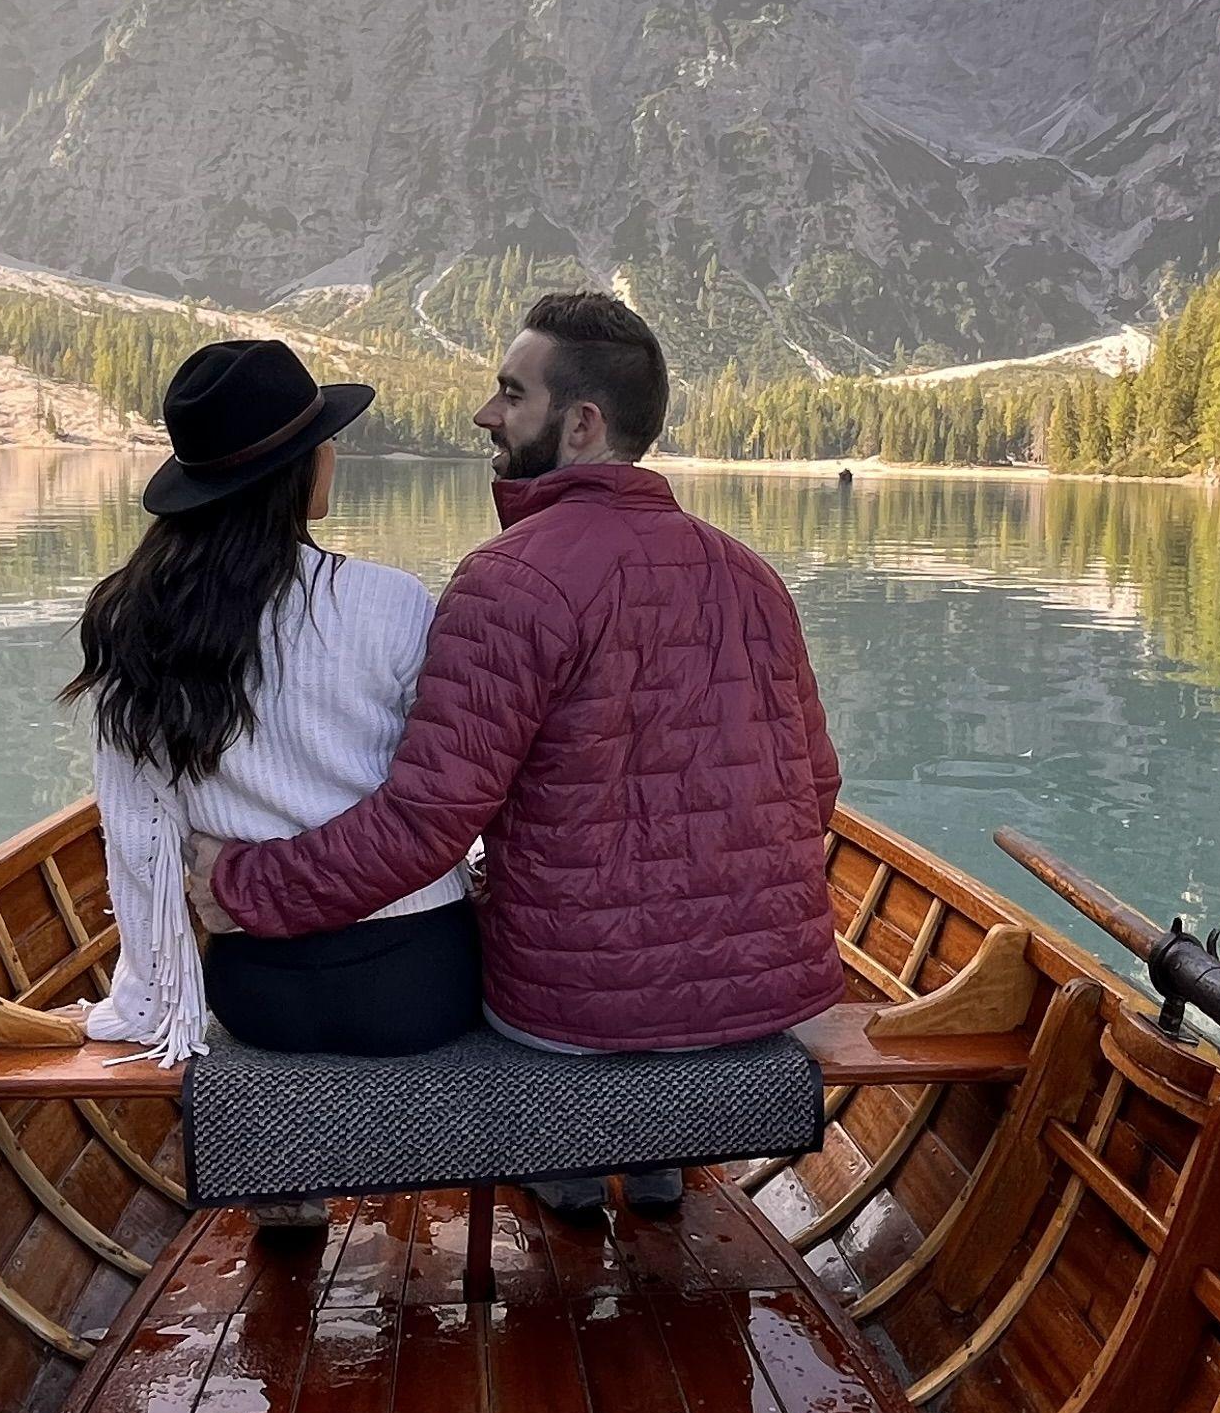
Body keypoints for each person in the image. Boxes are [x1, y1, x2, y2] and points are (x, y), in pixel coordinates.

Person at [189, 288, 843, 1223]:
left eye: (510, 394)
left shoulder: (509, 582)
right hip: (762, 1001)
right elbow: (815, 790)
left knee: (477, 926)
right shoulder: (754, 575)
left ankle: (569, 1165)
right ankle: (659, 1161)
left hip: (577, 1015)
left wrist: (248, 885)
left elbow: (425, 826)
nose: (484, 414)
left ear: (580, 424)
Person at [70, 339, 481, 1099]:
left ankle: (284, 1193)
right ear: (300, 467)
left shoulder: (134, 617)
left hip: (257, 993)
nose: (332, 454)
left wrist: (157, 1000)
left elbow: (137, 835)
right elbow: (442, 799)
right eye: (325, 440)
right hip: (417, 985)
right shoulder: (389, 602)